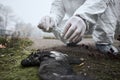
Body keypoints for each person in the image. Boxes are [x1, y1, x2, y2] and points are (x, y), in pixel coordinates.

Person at [38, 0, 120, 55]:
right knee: (58, 26)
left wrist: (83, 17)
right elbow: (57, 8)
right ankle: (72, 37)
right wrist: (51, 19)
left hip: (106, 18)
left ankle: (104, 42)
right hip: (78, 21)